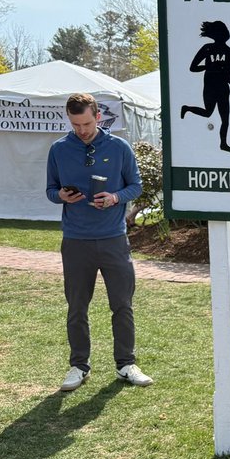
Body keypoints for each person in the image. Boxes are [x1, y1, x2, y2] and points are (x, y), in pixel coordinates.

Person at [45, 93, 152, 391]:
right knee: (77, 307)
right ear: (69, 119)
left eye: (87, 123)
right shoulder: (59, 149)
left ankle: (126, 364)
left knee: (122, 304)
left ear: (98, 116)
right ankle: (78, 366)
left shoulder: (119, 147)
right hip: (76, 241)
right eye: (76, 124)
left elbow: (136, 186)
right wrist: (61, 196)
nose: (82, 130)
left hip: (114, 239)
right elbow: (50, 190)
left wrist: (116, 197)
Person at [180, 20, 230, 152]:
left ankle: (223, 143)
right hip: (210, 87)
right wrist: (208, 66)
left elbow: (228, 75)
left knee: (225, 119)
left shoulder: (229, 51)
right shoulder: (207, 48)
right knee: (207, 113)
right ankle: (187, 108)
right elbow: (193, 67)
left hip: (223, 88)